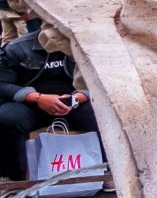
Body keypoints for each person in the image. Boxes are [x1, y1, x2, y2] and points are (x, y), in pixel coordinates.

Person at [0, 28, 97, 180]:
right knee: (5, 118)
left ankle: (107, 170)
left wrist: (79, 97)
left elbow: (103, 80)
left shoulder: (86, 44)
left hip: (74, 105)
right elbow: (3, 83)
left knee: (101, 113)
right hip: (30, 106)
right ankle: (11, 177)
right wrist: (37, 98)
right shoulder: (17, 48)